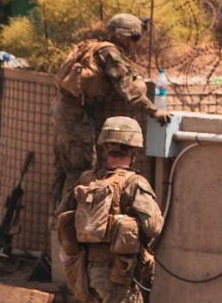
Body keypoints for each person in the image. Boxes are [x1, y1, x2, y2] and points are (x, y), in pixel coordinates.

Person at [57, 117, 162, 303]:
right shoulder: (133, 183)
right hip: (120, 280)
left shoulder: (86, 180)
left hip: (89, 277)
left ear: (105, 148)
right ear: (134, 150)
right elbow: (153, 225)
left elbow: (63, 218)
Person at [52, 13, 168, 208]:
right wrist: (153, 111)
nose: (136, 43)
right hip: (74, 115)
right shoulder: (110, 53)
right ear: (122, 36)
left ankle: (55, 217)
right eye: (134, 38)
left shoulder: (94, 47)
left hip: (64, 110)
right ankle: (72, 216)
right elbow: (126, 88)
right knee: (81, 169)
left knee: (62, 169)